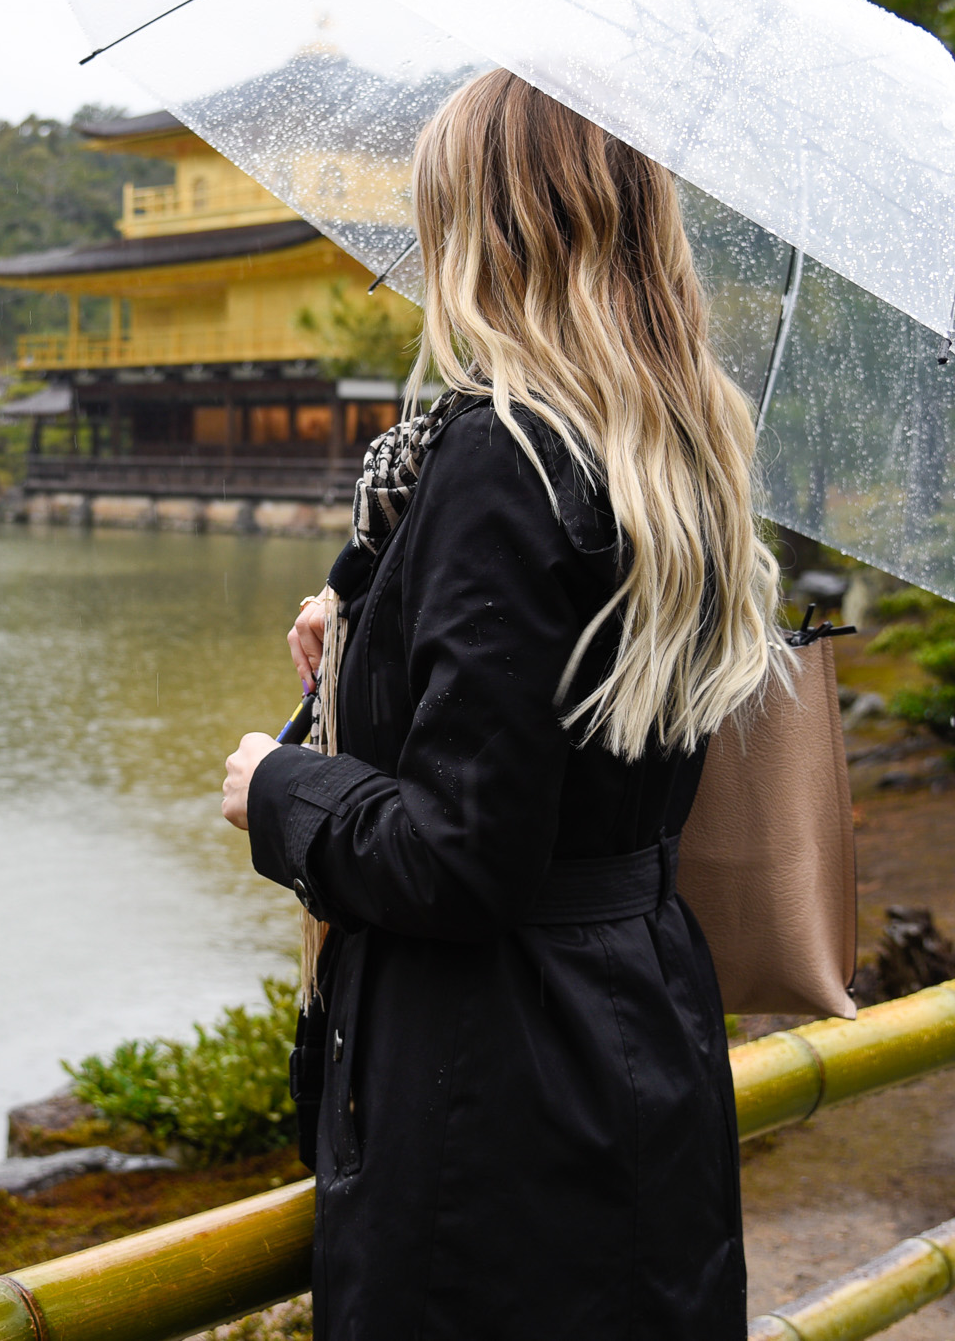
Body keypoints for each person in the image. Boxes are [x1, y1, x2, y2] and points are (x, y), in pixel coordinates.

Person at [219, 69, 783, 1340]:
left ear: (490, 228)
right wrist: (368, 651)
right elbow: (567, 741)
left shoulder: (500, 456)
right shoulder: (674, 453)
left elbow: (458, 856)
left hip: (495, 1086)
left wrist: (278, 787)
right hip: (638, 1029)